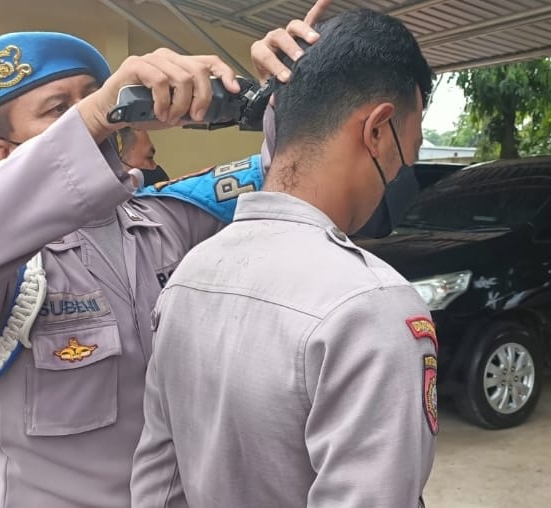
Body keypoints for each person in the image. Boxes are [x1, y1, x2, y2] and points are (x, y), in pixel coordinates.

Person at [0, 3, 329, 504]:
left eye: (95, 101)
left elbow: (297, 179)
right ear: (4, 156)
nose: (95, 124)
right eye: (61, 112)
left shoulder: (166, 220)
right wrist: (95, 113)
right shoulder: (6, 269)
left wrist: (295, 91)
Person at [130, 8, 437, 508]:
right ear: (379, 130)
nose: (406, 169)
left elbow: (157, 484)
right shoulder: (372, 307)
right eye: (411, 149)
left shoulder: (190, 274)